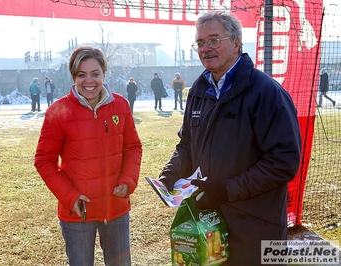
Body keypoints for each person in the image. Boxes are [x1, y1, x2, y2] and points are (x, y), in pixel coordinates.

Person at [158, 12, 301, 265]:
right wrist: (171, 173)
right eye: (200, 42)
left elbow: (284, 161)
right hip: (210, 222)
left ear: (236, 43)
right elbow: (188, 144)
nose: (206, 49)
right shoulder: (198, 91)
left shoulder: (266, 92)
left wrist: (226, 190)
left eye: (214, 40)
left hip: (257, 226)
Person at [34, 46, 142, 266]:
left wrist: (128, 181)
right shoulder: (58, 111)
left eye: (95, 73)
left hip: (116, 207)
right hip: (78, 211)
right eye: (81, 74)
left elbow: (133, 148)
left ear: (103, 73)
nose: (89, 80)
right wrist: (70, 197)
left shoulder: (120, 105)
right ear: (73, 76)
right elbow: (44, 161)